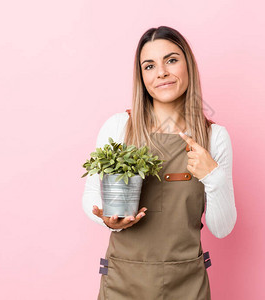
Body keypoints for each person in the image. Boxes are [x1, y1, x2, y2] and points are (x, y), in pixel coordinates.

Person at [82, 26, 237, 300]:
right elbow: (93, 194)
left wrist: (212, 175)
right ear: (141, 77)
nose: (162, 72)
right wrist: (109, 221)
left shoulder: (214, 137)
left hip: (187, 284)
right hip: (123, 282)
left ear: (188, 65)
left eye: (172, 60)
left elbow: (222, 228)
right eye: (149, 66)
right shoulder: (119, 127)